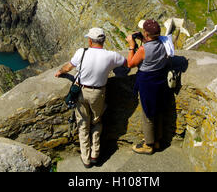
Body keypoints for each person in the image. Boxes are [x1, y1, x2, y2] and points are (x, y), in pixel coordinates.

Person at [55, 27, 126, 168]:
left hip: (80, 91)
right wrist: (131, 48)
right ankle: (95, 154)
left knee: (83, 124)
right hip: (98, 94)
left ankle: (86, 158)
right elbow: (127, 63)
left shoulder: (82, 52)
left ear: (90, 41)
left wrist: (60, 71)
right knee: (96, 122)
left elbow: (68, 67)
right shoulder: (111, 55)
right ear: (103, 40)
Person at [126, 19, 174, 155]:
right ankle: (157, 140)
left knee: (148, 114)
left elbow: (130, 63)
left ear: (146, 33)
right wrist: (144, 38)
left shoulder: (143, 49)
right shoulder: (164, 42)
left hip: (147, 82)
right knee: (157, 110)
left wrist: (131, 45)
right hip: (160, 79)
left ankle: (148, 144)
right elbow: (154, 46)